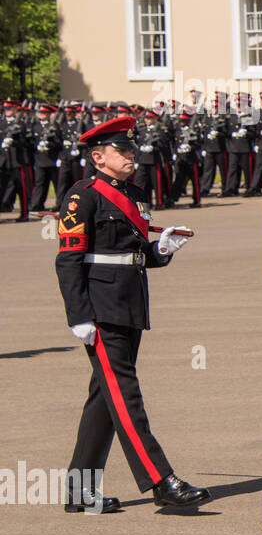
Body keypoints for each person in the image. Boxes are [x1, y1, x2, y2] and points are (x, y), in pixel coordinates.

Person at [54, 114, 210, 514]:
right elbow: (69, 259)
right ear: (97, 157)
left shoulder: (136, 194)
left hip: (130, 302)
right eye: (121, 151)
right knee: (125, 396)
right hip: (101, 307)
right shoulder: (82, 196)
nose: (130, 156)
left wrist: (162, 250)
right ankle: (160, 480)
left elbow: (134, 252)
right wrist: (79, 315)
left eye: (130, 150)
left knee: (105, 400)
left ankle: (79, 491)